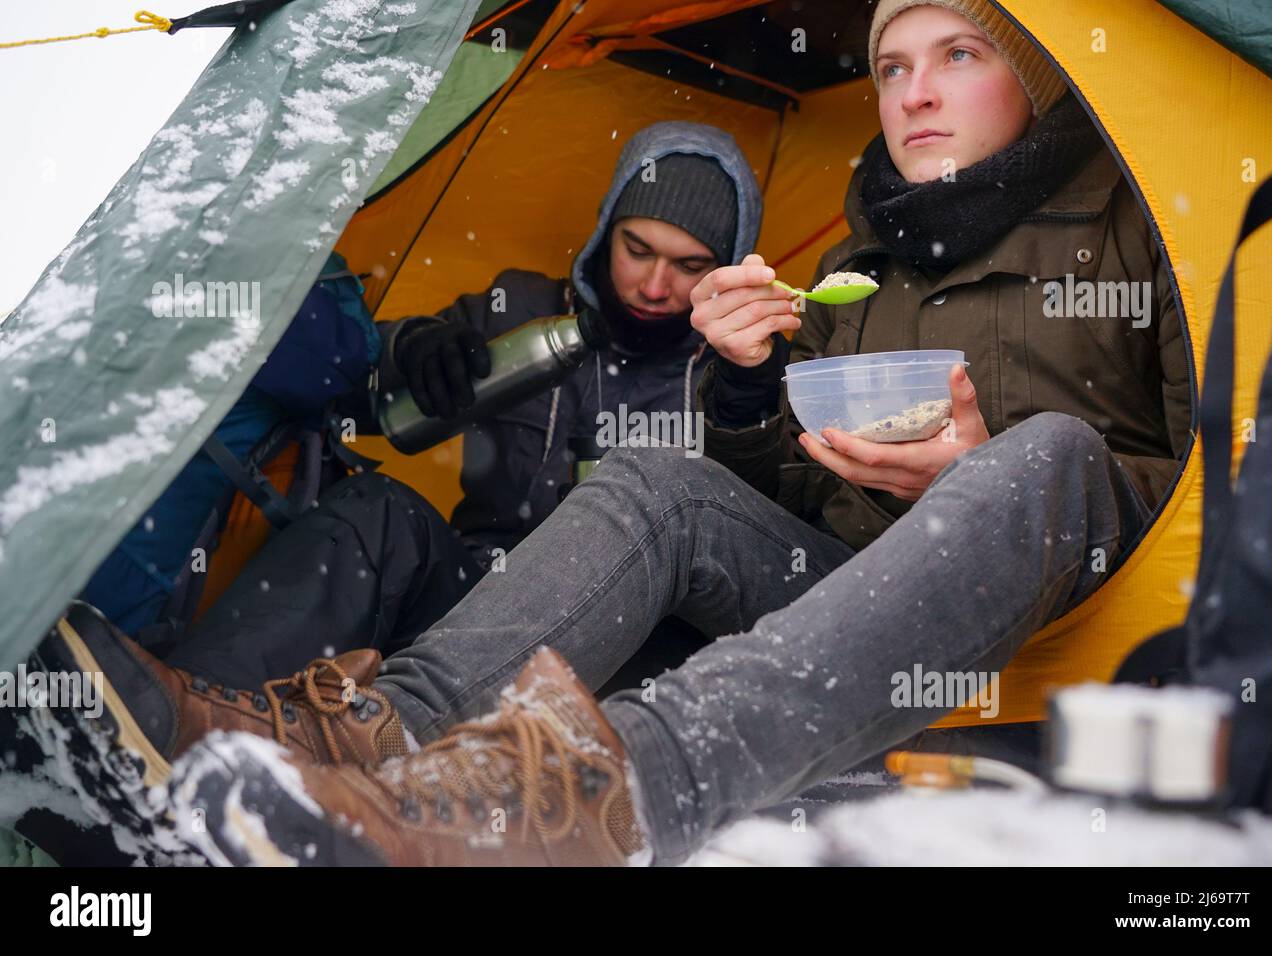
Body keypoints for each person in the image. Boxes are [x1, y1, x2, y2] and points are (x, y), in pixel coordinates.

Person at [45, 0, 1190, 866]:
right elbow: (790, 504)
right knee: (659, 477)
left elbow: (1225, 491)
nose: (912, 92)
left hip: (1058, 622)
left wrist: (977, 477)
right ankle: (377, 738)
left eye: (958, 54)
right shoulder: (851, 272)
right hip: (838, 599)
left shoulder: (1146, 238)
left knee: (1045, 456)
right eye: (890, 65)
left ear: (1031, 75)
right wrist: (746, 398)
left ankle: (592, 799)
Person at [25, 122, 763, 810]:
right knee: (379, 511)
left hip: (638, 649)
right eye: (638, 249)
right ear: (606, 229)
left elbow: (764, 537)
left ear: (726, 265)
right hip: (479, 597)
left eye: (691, 265)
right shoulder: (524, 308)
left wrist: (747, 394)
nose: (658, 287)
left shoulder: (748, 361)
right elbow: (361, 397)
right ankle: (168, 738)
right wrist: (410, 346)